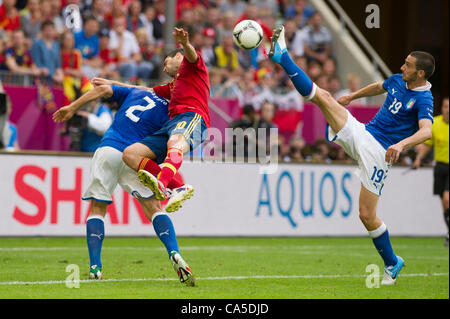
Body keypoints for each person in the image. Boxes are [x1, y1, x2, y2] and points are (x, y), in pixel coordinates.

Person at [269, 25, 435, 284]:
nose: (402, 67)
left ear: (420, 73)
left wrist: (401, 145)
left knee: (366, 215)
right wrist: (352, 97)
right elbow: (379, 87)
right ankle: (282, 57)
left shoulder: (424, 99)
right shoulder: (398, 80)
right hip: (363, 132)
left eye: (408, 65)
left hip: (379, 154)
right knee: (323, 97)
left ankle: (392, 262)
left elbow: (426, 131)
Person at [52, 82, 195, 286]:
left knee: (97, 208)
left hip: (109, 149)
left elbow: (102, 90)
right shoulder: (173, 114)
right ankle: (175, 253)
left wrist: (72, 107)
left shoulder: (136, 92)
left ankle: (95, 268)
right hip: (135, 156)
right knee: (153, 207)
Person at [121, 27, 210, 212]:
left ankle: (162, 182)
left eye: (165, 63)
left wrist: (185, 43)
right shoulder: (174, 86)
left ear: (178, 57)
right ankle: (175, 187)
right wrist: (111, 84)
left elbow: (192, 55)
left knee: (175, 141)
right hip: (170, 125)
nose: (163, 68)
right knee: (130, 154)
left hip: (193, 117)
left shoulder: (193, 67)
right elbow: (144, 90)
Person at [413, 97, 449, 246]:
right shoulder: (435, 123)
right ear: (442, 108)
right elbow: (428, 145)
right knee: (444, 204)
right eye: (446, 106)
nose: (448, 110)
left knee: (447, 198)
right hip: (440, 167)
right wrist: (418, 159)